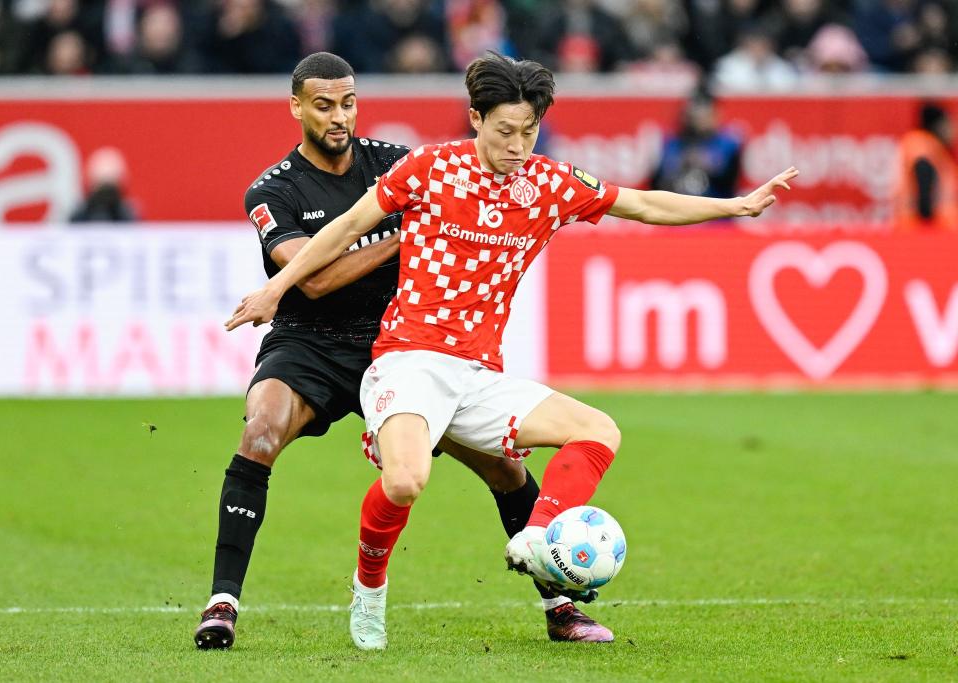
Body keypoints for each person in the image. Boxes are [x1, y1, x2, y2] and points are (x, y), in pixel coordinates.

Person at [225, 51, 797, 650]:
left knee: (598, 430)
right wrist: (276, 288)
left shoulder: (549, 184)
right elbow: (340, 232)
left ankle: (539, 537)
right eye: (504, 131)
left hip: (477, 374)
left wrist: (736, 206)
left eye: (529, 131)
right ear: (475, 118)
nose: (518, 145)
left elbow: (646, 203)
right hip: (406, 360)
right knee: (406, 482)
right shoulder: (425, 169)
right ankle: (368, 593)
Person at [195, 52, 611, 651]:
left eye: (348, 103)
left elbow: (471, 185)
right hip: (308, 342)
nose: (339, 117)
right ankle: (222, 602)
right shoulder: (273, 190)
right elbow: (311, 279)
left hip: (399, 342)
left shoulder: (392, 162)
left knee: (504, 465)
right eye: (323, 105)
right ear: (296, 107)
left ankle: (560, 604)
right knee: (260, 430)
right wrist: (407, 233)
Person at [650, 88, 743, 201]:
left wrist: (707, 167)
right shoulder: (672, 143)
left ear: (715, 115)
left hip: (717, 211)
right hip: (679, 210)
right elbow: (655, 183)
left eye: (705, 113)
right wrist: (679, 166)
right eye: (695, 112)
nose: (699, 118)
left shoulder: (729, 144)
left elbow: (732, 183)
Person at [893, 102, 957, 231]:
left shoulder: (928, 146)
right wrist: (927, 221)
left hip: (920, 228)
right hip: (927, 229)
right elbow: (924, 178)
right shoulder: (923, 146)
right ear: (938, 125)